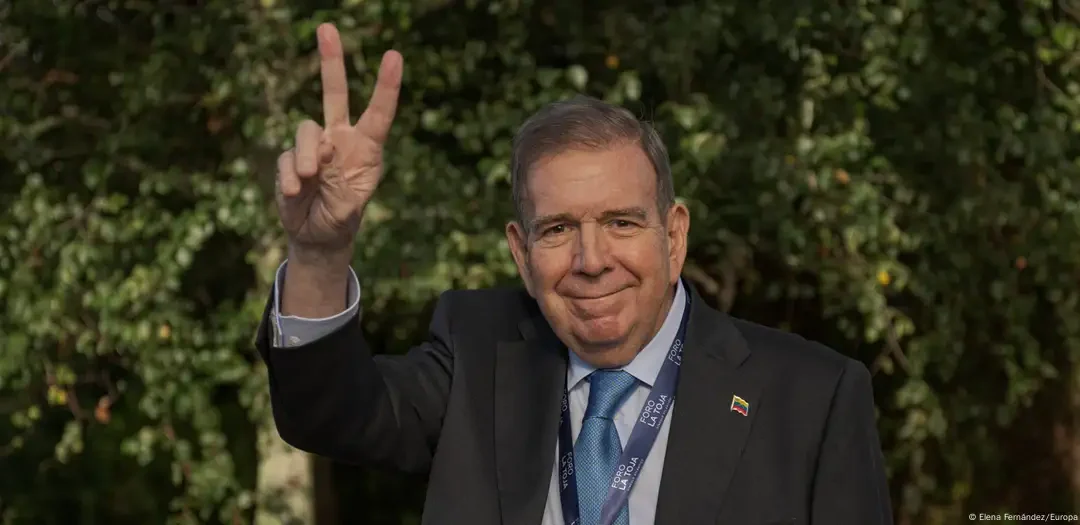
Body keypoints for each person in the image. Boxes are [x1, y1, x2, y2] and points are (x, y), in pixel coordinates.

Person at [256, 22, 894, 525]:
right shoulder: (478, 356)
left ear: (674, 236)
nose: (592, 261)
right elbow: (328, 415)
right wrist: (320, 255)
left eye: (621, 222)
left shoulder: (812, 398)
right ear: (521, 252)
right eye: (558, 229)